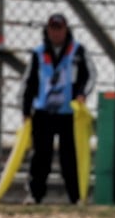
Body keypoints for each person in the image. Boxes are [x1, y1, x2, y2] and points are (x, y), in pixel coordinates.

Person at [20, 12, 92, 204]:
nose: (56, 33)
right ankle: (35, 195)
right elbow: (29, 82)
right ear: (47, 30)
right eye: (52, 28)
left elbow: (90, 75)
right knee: (41, 156)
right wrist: (26, 110)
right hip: (43, 112)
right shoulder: (38, 53)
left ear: (66, 30)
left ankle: (76, 197)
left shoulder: (78, 51)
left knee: (70, 156)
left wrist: (82, 94)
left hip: (69, 113)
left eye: (59, 28)